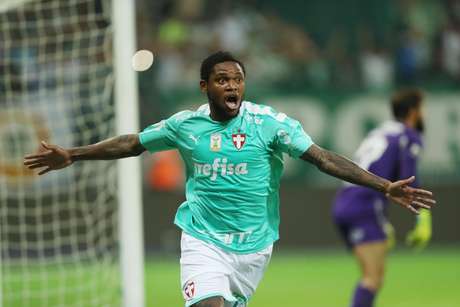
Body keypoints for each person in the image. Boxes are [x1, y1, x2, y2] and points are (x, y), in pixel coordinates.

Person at [24, 52, 435, 307]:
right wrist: (73, 154)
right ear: (205, 86)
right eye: (222, 80)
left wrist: (384, 185)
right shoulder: (184, 126)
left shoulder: (271, 124)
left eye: (237, 79)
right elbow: (133, 143)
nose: (232, 86)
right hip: (203, 239)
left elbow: (322, 158)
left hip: (255, 247)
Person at [332, 89, 432, 307]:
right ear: (414, 112)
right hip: (365, 205)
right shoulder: (408, 135)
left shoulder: (381, 132)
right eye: (423, 109)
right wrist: (423, 219)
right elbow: (410, 180)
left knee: (370, 276)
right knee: (372, 279)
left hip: (344, 202)